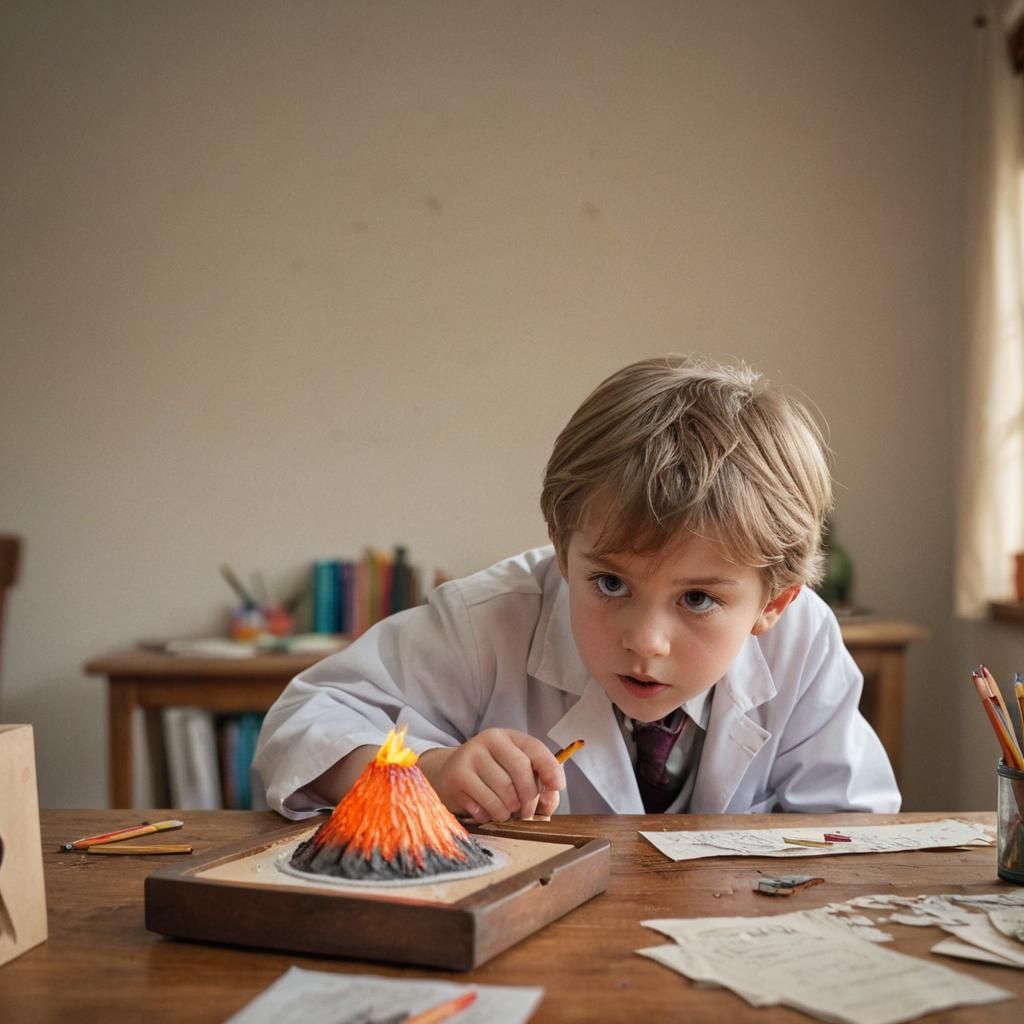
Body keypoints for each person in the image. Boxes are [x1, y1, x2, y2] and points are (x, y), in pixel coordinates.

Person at [254, 355, 900, 821]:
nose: (644, 643)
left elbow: (851, 828)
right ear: (563, 551)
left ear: (775, 603)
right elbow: (299, 729)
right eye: (610, 582)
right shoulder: (488, 619)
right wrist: (430, 772)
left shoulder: (803, 637)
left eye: (698, 599)